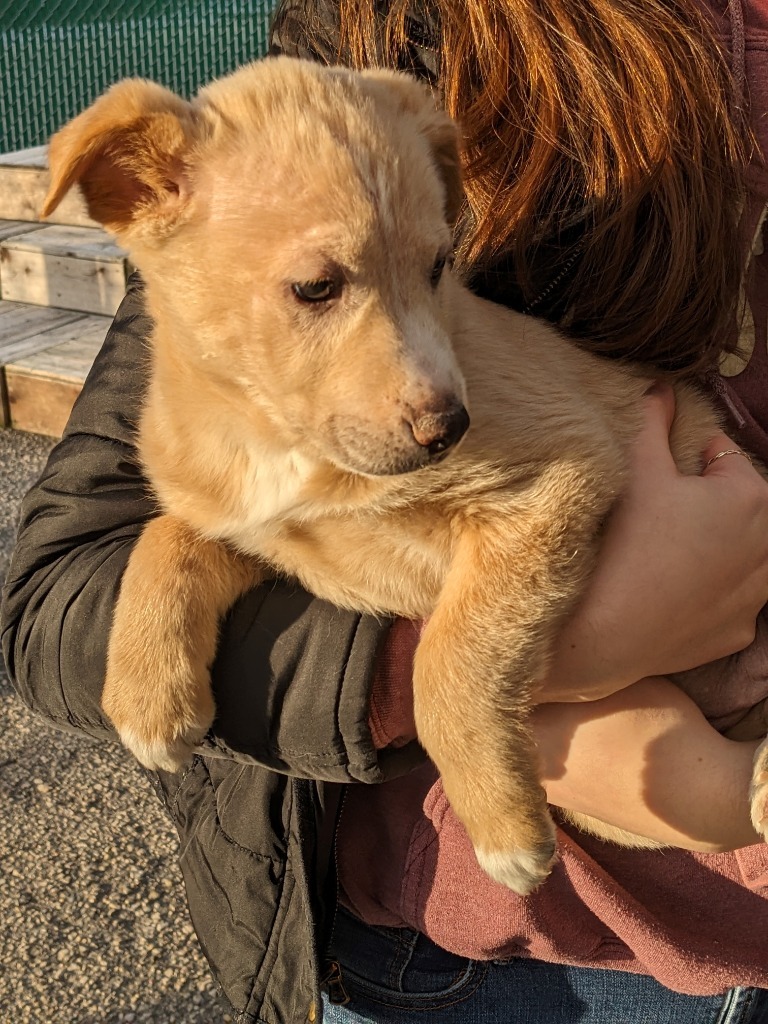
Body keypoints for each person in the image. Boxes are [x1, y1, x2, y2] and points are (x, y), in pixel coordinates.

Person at [3, 0, 768, 1021]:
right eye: (319, 287)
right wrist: (532, 668)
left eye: (436, 268)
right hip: (485, 951)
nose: (427, 381)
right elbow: (67, 585)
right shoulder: (378, 53)